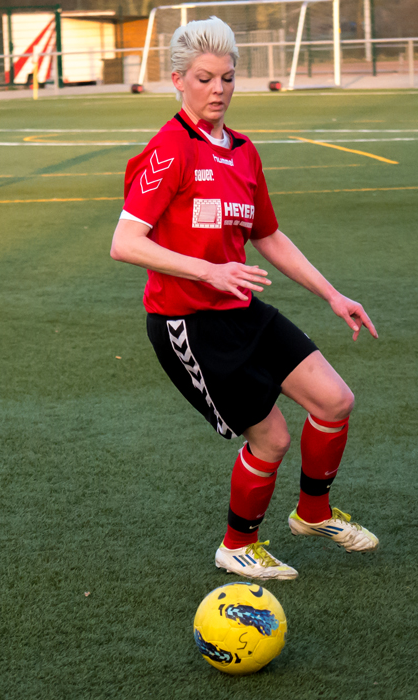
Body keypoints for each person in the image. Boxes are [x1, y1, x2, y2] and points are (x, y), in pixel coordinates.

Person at [110, 17, 379, 581]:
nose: (218, 90)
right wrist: (207, 271)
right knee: (273, 437)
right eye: (204, 78)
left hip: (240, 307)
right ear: (178, 80)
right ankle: (237, 546)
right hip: (188, 321)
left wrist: (332, 294)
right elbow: (125, 243)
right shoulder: (169, 151)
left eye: (228, 78)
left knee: (334, 400)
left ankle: (314, 513)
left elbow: (269, 237)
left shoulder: (244, 152)